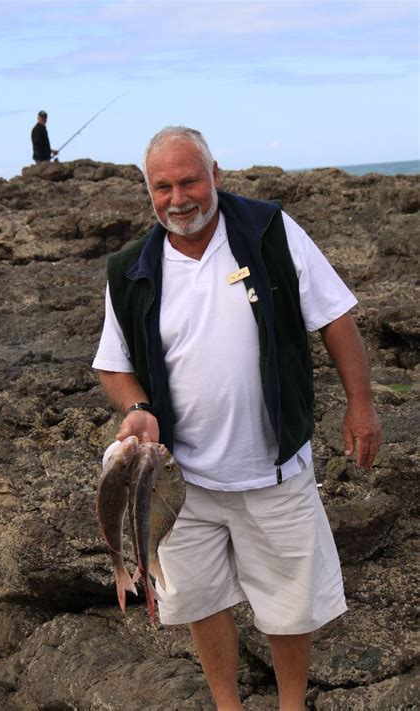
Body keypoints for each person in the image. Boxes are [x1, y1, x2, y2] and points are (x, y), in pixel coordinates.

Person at [92, 126, 381, 710]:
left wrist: (362, 404)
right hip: (180, 481)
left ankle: (291, 704)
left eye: (190, 180)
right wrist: (138, 408)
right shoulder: (130, 269)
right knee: (199, 599)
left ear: (216, 175)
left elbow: (334, 318)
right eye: (163, 186)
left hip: (272, 467)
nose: (179, 198)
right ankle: (229, 705)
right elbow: (114, 366)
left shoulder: (268, 230)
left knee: (288, 601)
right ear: (149, 192)